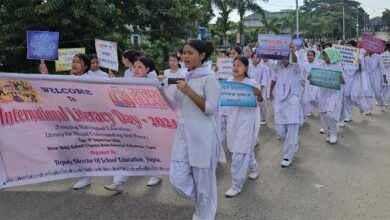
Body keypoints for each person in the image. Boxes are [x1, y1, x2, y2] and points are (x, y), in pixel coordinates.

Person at [169, 40, 222, 220]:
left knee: (204, 182)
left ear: (202, 55)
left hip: (203, 134)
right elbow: (176, 103)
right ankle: (203, 202)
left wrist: (189, 91)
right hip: (184, 131)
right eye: (183, 53)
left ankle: (205, 213)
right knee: (177, 179)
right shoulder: (185, 76)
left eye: (190, 53)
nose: (185, 56)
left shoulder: (209, 78)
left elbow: (210, 109)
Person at [104, 56, 163, 192]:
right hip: (131, 125)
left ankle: (156, 174)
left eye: (140, 67)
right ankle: (118, 182)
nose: (136, 70)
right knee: (128, 152)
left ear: (147, 69)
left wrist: (162, 83)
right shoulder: (128, 82)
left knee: (145, 152)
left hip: (149, 126)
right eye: (134, 67)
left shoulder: (154, 83)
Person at [224, 56, 263, 197]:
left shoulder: (252, 83)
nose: (235, 68)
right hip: (233, 120)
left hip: (247, 121)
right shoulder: (228, 82)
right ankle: (253, 167)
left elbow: (260, 100)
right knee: (242, 147)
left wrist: (259, 95)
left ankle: (236, 185)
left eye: (239, 65)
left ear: (246, 68)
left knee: (238, 153)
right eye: (234, 65)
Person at [270, 45, 304, 167]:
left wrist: (291, 51)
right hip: (280, 101)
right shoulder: (277, 67)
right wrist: (261, 48)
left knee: (292, 128)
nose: (283, 57)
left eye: (286, 55)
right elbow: (267, 61)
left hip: (292, 100)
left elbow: (296, 61)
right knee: (280, 131)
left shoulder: (295, 67)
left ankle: (287, 156)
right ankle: (292, 145)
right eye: (281, 55)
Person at [313, 48, 344, 144]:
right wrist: (311, 77)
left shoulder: (338, 66)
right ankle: (328, 134)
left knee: (330, 114)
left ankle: (334, 133)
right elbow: (313, 76)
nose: (325, 57)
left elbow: (343, 80)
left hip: (334, 93)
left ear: (331, 55)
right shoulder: (320, 65)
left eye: (326, 55)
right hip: (323, 92)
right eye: (324, 55)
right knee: (323, 114)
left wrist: (341, 79)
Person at [341, 41, 367, 121]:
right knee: (346, 97)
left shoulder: (360, 56)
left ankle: (362, 108)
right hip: (346, 78)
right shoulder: (342, 56)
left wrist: (359, 64)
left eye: (349, 46)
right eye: (345, 46)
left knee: (353, 97)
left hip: (355, 78)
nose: (347, 48)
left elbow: (362, 69)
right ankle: (348, 116)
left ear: (354, 47)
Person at [249, 53, 269, 125]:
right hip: (251, 89)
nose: (255, 59)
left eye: (256, 57)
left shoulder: (264, 68)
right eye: (253, 57)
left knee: (262, 104)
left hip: (261, 88)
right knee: (253, 105)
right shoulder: (249, 67)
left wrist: (260, 90)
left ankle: (263, 119)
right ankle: (254, 119)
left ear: (260, 59)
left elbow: (264, 80)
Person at [302, 50, 320, 117]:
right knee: (308, 97)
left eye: (311, 55)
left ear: (314, 56)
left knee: (315, 97)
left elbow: (319, 74)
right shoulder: (305, 64)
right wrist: (306, 78)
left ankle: (322, 108)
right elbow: (303, 74)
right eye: (308, 55)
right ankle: (308, 111)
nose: (309, 56)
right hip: (308, 82)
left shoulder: (318, 64)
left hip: (316, 83)